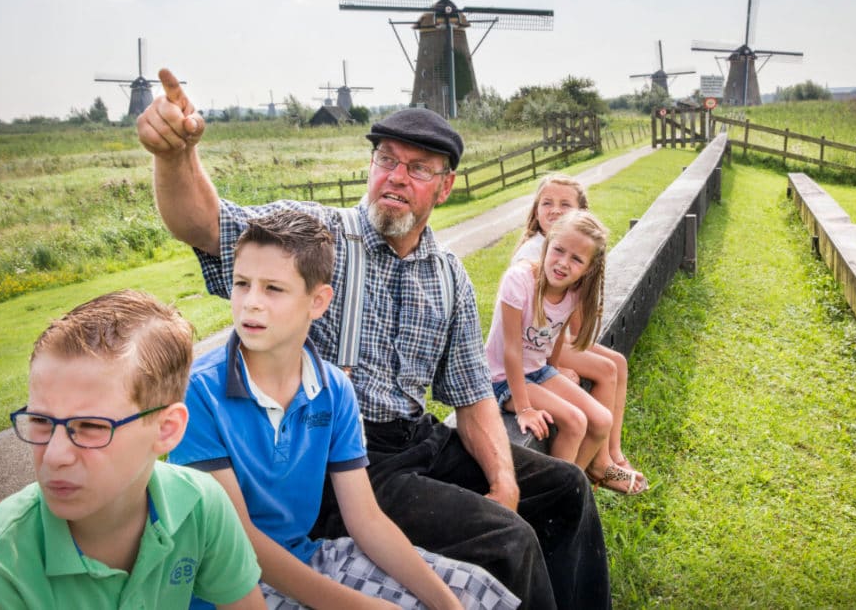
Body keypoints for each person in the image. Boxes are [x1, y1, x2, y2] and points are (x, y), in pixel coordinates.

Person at [138, 69, 610, 609]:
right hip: (350, 460)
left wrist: (503, 479)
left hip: (423, 439)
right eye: (386, 160)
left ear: (446, 185)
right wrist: (174, 155)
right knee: (506, 539)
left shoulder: (447, 272)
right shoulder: (319, 236)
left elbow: (473, 393)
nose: (395, 177)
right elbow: (206, 224)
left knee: (567, 489)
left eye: (417, 168)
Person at [169, 211, 519, 609]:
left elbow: (366, 520)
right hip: (224, 587)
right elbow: (239, 540)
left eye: (273, 289)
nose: (251, 303)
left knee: (469, 592)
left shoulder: (334, 389)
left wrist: (447, 604)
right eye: (242, 284)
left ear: (317, 301)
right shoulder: (200, 392)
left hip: (307, 558)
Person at [0, 290, 265, 609]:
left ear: (167, 429)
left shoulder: (199, 505)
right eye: (40, 421)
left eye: (91, 426)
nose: (54, 456)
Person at [489, 210, 647, 495]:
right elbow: (511, 351)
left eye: (576, 259)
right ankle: (551, 500)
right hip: (503, 378)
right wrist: (524, 408)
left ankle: (570, 488)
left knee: (601, 420)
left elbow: (558, 337)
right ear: (548, 244)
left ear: (588, 268)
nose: (563, 263)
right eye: (559, 250)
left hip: (537, 371)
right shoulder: (519, 281)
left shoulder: (573, 291)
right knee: (575, 422)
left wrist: (556, 373)